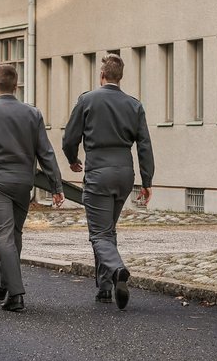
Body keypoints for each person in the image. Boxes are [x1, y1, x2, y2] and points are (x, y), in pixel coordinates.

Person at [0, 64, 63, 312]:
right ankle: (2, 283)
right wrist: (56, 185)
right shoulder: (32, 113)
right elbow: (45, 152)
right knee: (14, 235)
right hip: (22, 182)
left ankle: (16, 294)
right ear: (16, 86)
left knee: (2, 237)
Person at [62, 53, 154, 310]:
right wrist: (147, 180)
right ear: (120, 77)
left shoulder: (87, 100)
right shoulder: (134, 105)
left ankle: (117, 270)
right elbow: (145, 145)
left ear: (101, 75)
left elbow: (70, 138)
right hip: (125, 173)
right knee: (108, 230)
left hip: (98, 173)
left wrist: (72, 158)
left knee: (99, 233)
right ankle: (104, 288)